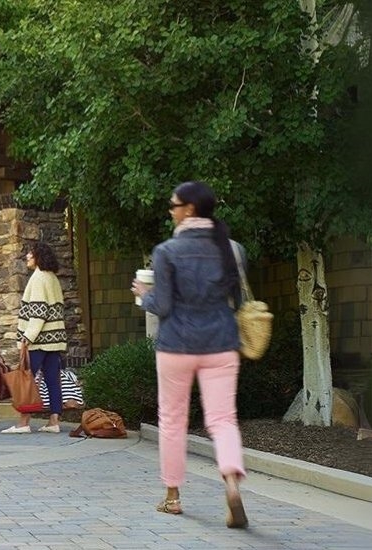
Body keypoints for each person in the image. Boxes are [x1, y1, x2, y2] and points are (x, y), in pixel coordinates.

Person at [132, 181, 248, 528]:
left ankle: (172, 497)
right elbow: (240, 301)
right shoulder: (234, 249)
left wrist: (143, 294)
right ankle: (230, 481)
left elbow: (163, 305)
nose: (171, 210)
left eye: (174, 205)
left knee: (172, 420)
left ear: (190, 209)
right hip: (221, 342)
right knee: (224, 419)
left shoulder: (167, 251)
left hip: (177, 344)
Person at [3, 242, 66, 435]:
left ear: (38, 256)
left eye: (30, 253)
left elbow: (39, 313)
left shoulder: (38, 278)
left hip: (38, 341)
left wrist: (27, 338)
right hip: (54, 340)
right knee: (52, 380)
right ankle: (54, 421)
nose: (27, 257)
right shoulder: (52, 278)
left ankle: (23, 422)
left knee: (26, 380)